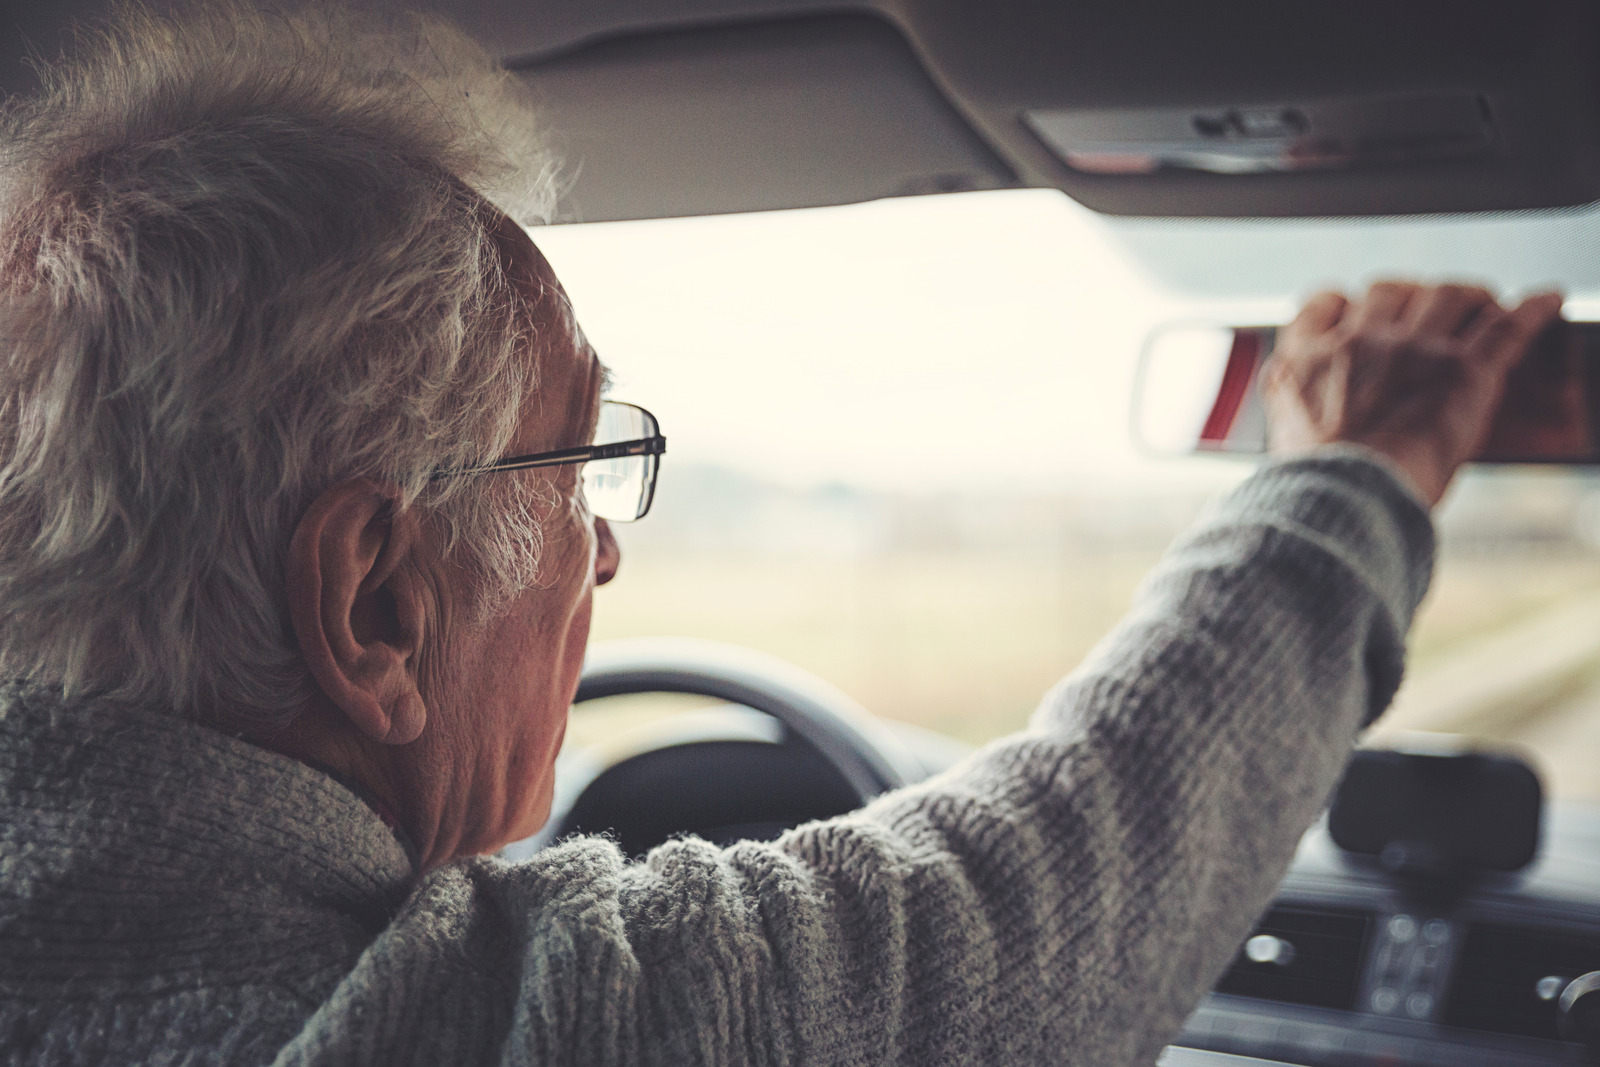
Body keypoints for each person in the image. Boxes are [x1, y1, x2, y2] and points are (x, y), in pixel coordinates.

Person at [0, 3, 1563, 1065]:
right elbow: (1074, 873)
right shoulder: (456, 1026)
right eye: (575, 469)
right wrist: (1361, 465)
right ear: (377, 610)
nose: (602, 553)